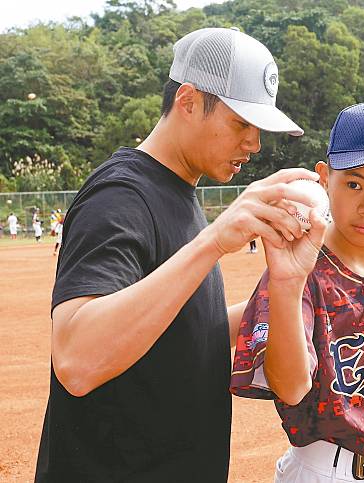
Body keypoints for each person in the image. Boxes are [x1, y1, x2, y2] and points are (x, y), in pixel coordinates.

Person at [35, 27, 320, 482]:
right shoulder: (121, 196)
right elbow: (76, 358)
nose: (254, 144)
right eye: (241, 123)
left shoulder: (178, 189)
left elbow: (180, 325)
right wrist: (214, 241)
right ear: (188, 101)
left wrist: (294, 295)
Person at [231, 101, 364, 482]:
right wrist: (286, 284)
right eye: (354, 184)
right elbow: (291, 387)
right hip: (322, 470)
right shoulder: (299, 267)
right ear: (324, 177)